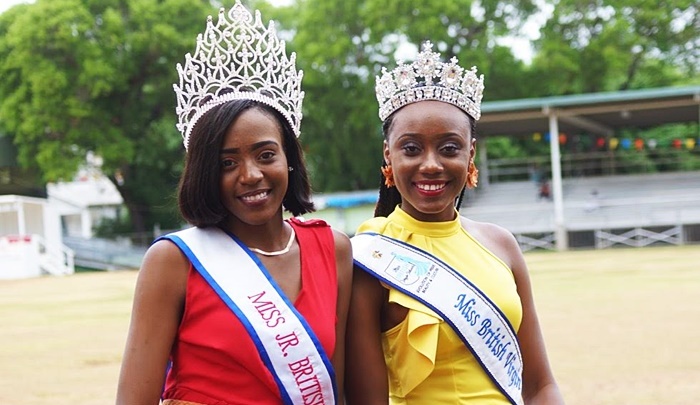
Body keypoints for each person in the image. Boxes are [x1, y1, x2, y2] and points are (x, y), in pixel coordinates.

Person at [116, 2, 352, 404]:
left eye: (265, 155)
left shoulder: (333, 249)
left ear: (290, 159)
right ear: (204, 171)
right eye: (227, 162)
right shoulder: (174, 262)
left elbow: (339, 388)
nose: (251, 175)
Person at [345, 41, 564, 404]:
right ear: (388, 154)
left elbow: (540, 385)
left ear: (470, 153)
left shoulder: (501, 244)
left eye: (449, 148)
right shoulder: (369, 257)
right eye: (411, 149)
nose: (431, 165)